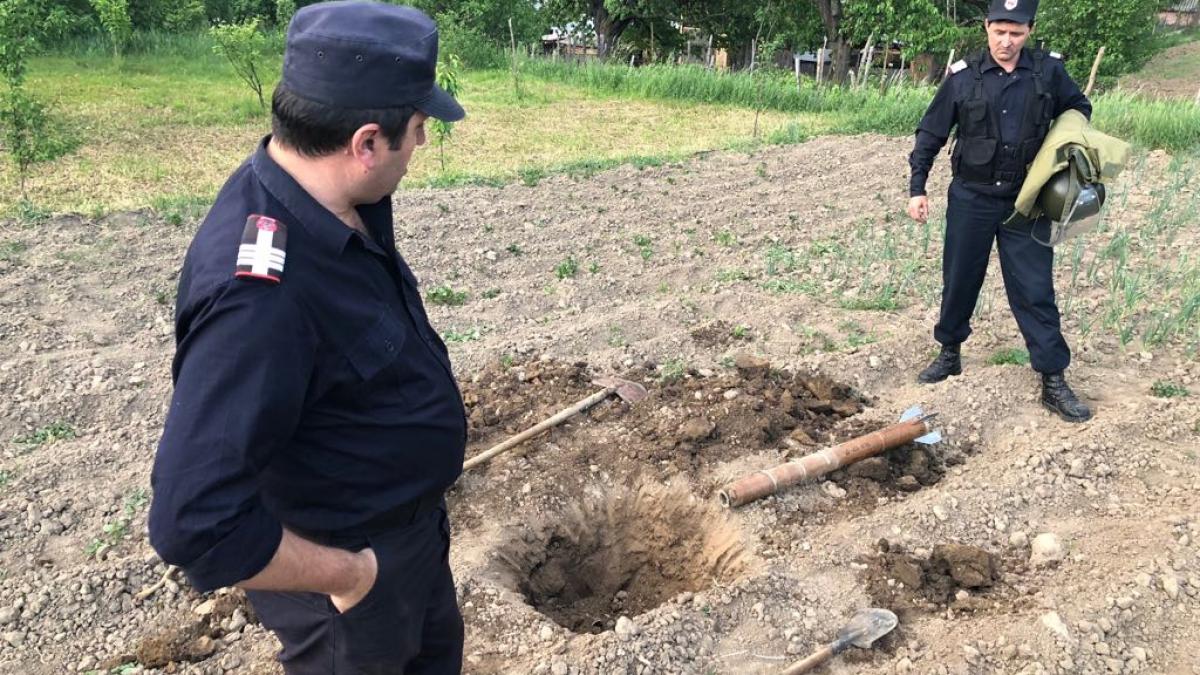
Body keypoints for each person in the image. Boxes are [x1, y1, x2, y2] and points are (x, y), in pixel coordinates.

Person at [148, 3, 468, 673]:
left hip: (411, 543)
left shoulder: (337, 198)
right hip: (352, 591)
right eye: (417, 129)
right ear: (366, 144)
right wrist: (350, 575)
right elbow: (193, 517)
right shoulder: (260, 296)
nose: (423, 145)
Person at [906, 0, 1094, 423]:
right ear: (986, 26)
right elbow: (930, 133)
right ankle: (950, 352)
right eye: (999, 32)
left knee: (1035, 290)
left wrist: (1064, 150)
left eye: (1017, 33)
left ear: (1029, 30)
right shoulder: (961, 77)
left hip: (1025, 203)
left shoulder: (1049, 72)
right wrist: (917, 188)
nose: (1007, 42)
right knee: (959, 280)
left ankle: (1053, 380)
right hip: (971, 199)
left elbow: (1079, 108)